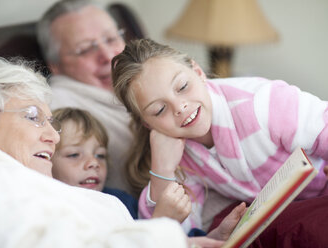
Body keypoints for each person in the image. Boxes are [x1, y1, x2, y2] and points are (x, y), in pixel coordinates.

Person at [0, 56, 246, 248]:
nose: (53, 136)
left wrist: (201, 240)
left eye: (50, 122)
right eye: (32, 117)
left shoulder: (35, 186)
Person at [111, 39, 328, 236]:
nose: (180, 107)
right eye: (159, 110)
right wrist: (162, 171)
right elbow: (167, 231)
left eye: (183, 87)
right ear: (147, 124)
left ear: (198, 71)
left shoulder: (263, 102)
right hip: (282, 210)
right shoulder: (177, 153)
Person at [36, 0, 133, 193]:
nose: (107, 56)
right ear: (55, 66)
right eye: (85, 50)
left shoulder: (148, 76)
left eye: (111, 39)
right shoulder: (56, 109)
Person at [51, 107, 139, 218]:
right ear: (46, 162)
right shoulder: (44, 207)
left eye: (100, 155)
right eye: (74, 155)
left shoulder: (123, 202)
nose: (94, 162)